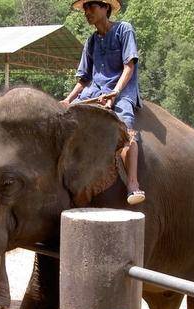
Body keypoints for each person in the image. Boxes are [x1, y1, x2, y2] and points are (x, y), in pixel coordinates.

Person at [61, 0, 144, 205]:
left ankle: (133, 184)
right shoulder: (91, 42)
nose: (87, 12)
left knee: (126, 130)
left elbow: (128, 67)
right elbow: (84, 79)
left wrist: (115, 93)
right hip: (95, 92)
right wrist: (68, 100)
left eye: (92, 7)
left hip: (121, 91)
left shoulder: (124, 30)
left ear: (106, 8)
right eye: (86, 8)